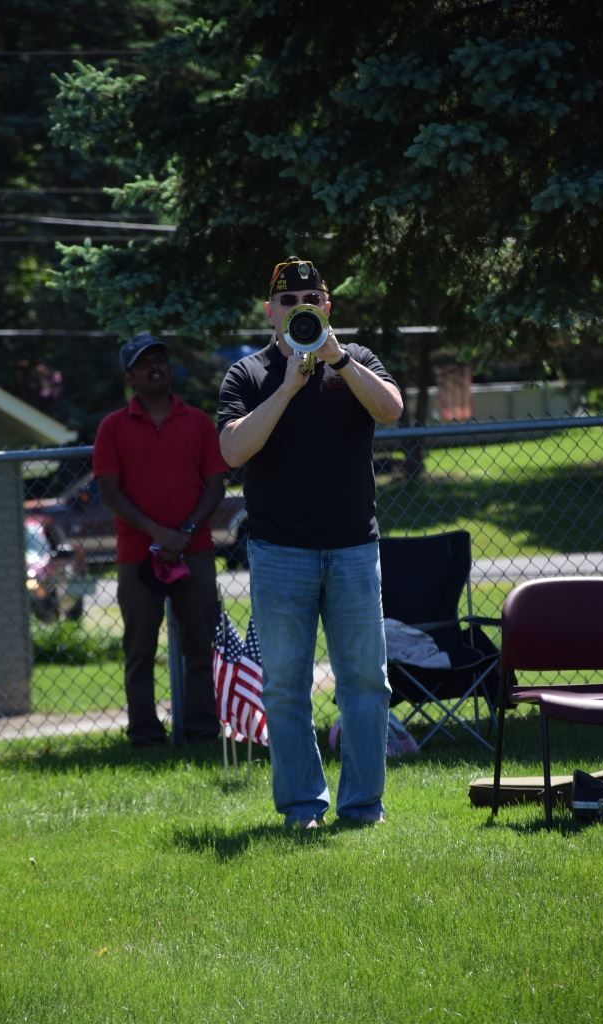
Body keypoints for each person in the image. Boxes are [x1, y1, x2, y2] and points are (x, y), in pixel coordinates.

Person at [217, 257, 403, 826]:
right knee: (285, 688)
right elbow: (232, 451)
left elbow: (391, 411)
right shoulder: (246, 375)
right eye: (288, 300)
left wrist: (336, 360)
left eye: (311, 298)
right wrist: (289, 389)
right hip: (280, 553)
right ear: (270, 311)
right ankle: (302, 807)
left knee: (366, 685)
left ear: (327, 307)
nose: (300, 306)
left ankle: (363, 808)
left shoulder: (358, 361)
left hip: (352, 548)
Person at [93, 333, 227, 746]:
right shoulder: (113, 427)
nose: (155, 367)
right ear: (130, 376)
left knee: (200, 648)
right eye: (144, 362)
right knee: (139, 653)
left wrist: (183, 533)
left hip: (196, 550)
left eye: (160, 360)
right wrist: (158, 534)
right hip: (138, 556)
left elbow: (216, 485)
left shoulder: (198, 422)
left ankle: (202, 731)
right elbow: (110, 492)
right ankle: (146, 736)